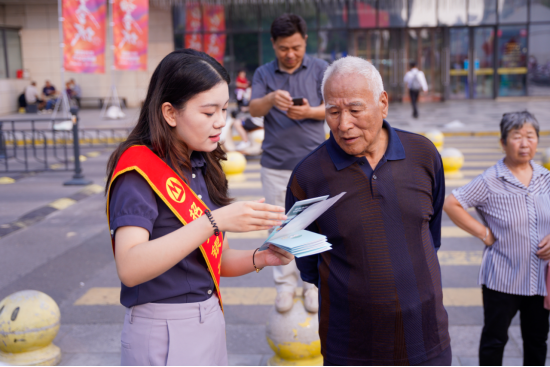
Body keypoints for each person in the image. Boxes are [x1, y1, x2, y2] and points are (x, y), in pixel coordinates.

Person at [105, 49, 294, 366]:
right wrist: (213, 221)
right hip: (164, 329)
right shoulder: (138, 171)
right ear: (170, 113)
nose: (220, 122)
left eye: (224, 109)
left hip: (209, 318)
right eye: (208, 113)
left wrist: (262, 257)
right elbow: (130, 266)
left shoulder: (201, 162)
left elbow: (217, 261)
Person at [290, 56, 451, 366]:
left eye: (354, 109)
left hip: (427, 339)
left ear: (383, 103)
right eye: (333, 112)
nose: (343, 124)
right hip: (350, 347)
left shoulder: (423, 154)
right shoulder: (307, 176)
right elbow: (308, 266)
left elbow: (430, 237)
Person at [444, 111, 550, 367]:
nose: (525, 143)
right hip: (502, 278)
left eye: (530, 136)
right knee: (494, 340)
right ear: (503, 142)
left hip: (540, 278)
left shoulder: (546, 177)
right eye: (517, 137)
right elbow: (452, 203)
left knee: (537, 341)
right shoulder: (491, 180)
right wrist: (483, 233)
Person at [249, 13, 328, 314]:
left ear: (305, 41)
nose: (291, 54)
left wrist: (309, 112)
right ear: (273, 45)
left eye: (296, 47)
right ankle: (284, 286)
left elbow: (334, 107)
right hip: (275, 165)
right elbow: (254, 109)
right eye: (284, 48)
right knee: (279, 226)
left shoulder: (321, 69)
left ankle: (310, 285)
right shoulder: (264, 73)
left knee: (312, 224)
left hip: (314, 164)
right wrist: (271, 99)